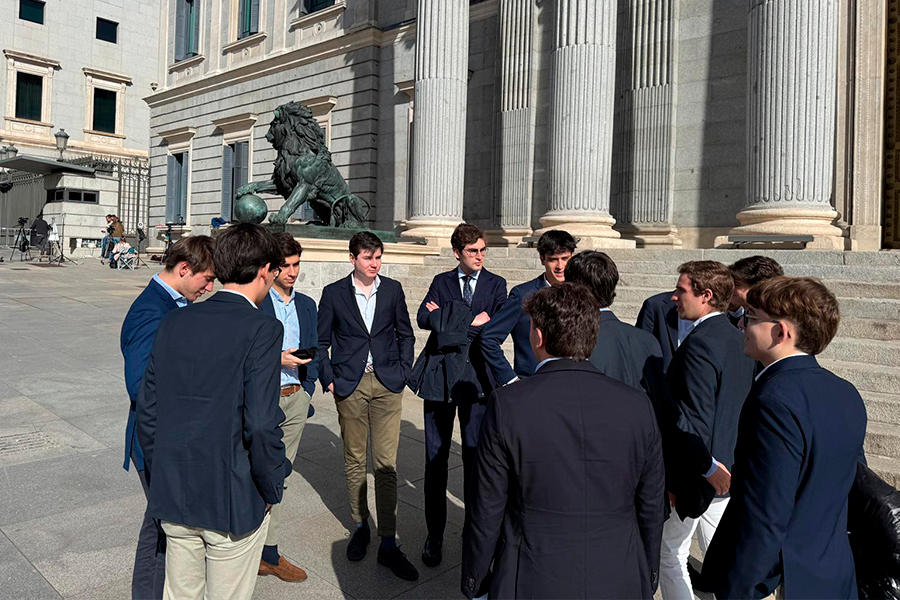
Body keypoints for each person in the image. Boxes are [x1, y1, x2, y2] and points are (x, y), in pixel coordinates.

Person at [461, 283, 665, 599]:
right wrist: (648, 574)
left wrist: (475, 579)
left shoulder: (507, 404)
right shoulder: (638, 404)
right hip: (620, 573)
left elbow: (486, 506)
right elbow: (651, 503)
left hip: (530, 574)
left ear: (538, 336)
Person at [136, 224, 290, 600]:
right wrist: (271, 486)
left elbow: (148, 410)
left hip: (175, 490)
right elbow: (260, 422)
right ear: (264, 270)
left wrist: (163, 474)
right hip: (231, 497)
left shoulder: (175, 320)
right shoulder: (263, 327)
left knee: (180, 594)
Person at [701, 277, 867, 599]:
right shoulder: (846, 392)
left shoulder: (773, 399)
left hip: (781, 579)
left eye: (749, 317)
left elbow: (763, 512)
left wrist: (738, 590)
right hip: (831, 573)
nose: (741, 326)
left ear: (781, 332)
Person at [317, 231, 418, 581]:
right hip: (351, 384)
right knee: (355, 459)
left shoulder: (392, 289)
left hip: (388, 383)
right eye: (367, 257)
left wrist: (404, 371)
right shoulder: (333, 294)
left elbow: (406, 333)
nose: (374, 263)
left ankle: (388, 541)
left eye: (377, 257)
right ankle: (360, 525)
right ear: (352, 259)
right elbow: (321, 342)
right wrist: (328, 377)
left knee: (386, 464)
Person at [120, 236, 216, 600]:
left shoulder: (173, 304)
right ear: (183, 268)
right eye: (206, 279)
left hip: (166, 438)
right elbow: (141, 386)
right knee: (161, 529)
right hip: (156, 441)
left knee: (160, 525)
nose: (209, 288)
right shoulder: (151, 311)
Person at [659, 261, 755, 600]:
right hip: (729, 467)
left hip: (705, 475)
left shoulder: (701, 343)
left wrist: (703, 470)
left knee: (669, 555)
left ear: (706, 295)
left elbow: (694, 418)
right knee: (724, 562)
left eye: (682, 290)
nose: (674, 297)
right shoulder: (739, 337)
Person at [415, 223, 508, 568]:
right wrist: (470, 322)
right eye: (473, 251)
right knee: (435, 461)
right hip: (439, 379)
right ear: (457, 252)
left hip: (477, 381)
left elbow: (497, 323)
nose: (480, 256)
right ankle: (434, 535)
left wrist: (449, 320)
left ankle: (475, 533)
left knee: (475, 459)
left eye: (483, 250)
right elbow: (424, 317)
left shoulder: (496, 284)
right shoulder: (441, 281)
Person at [256, 233, 317, 583]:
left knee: (281, 476)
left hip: (296, 397)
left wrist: (308, 389)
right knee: (257, 472)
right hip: (264, 399)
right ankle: (252, 548)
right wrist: (276, 358)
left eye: (296, 264)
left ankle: (269, 552)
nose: (292, 272)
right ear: (272, 268)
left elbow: (316, 346)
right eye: (285, 266)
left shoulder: (307, 304)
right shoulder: (258, 301)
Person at [480, 229, 575, 385]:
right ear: (542, 259)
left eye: (565, 258)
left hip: (570, 383)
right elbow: (489, 338)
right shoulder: (523, 294)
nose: (560, 266)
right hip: (531, 384)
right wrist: (510, 380)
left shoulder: (580, 292)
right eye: (553, 259)